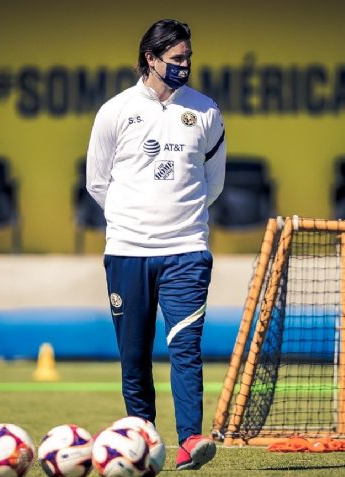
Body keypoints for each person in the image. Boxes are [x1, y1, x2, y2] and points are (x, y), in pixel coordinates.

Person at [86, 18, 225, 471]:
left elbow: (213, 183)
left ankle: (191, 439)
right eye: (177, 58)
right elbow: (97, 182)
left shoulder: (206, 111)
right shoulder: (114, 111)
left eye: (189, 57)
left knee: (185, 348)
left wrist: (178, 222)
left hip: (186, 251)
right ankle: (141, 441)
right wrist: (133, 222)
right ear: (151, 58)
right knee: (134, 356)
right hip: (127, 252)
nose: (185, 64)